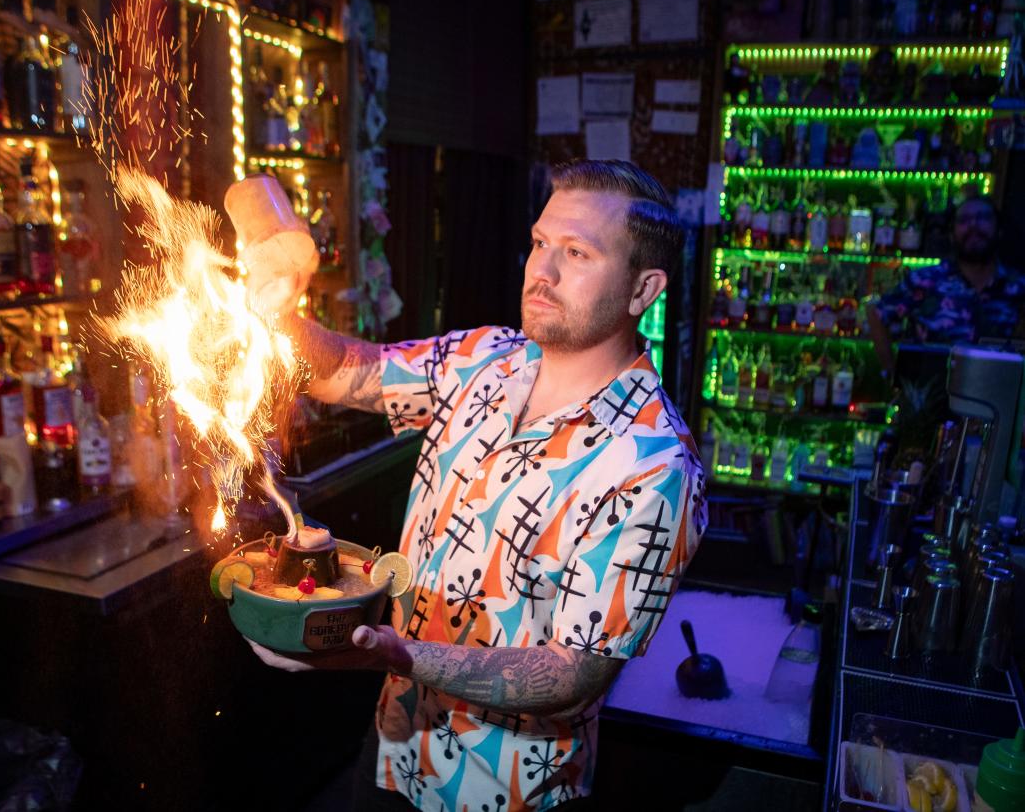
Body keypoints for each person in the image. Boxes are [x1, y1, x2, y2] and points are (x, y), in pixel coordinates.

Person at [250, 159, 708, 811]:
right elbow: (351, 372)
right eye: (541, 243)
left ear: (643, 290)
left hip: (503, 789)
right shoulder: (486, 360)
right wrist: (272, 311)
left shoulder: (655, 465)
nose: (541, 271)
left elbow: (572, 674)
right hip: (396, 750)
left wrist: (397, 654)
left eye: (576, 253)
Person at [868, 195, 1025, 374]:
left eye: (983, 218)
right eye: (964, 220)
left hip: (993, 396)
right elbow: (876, 313)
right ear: (951, 234)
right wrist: (891, 372)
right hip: (932, 396)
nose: (973, 226)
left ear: (999, 230)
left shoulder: (1017, 288)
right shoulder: (926, 280)